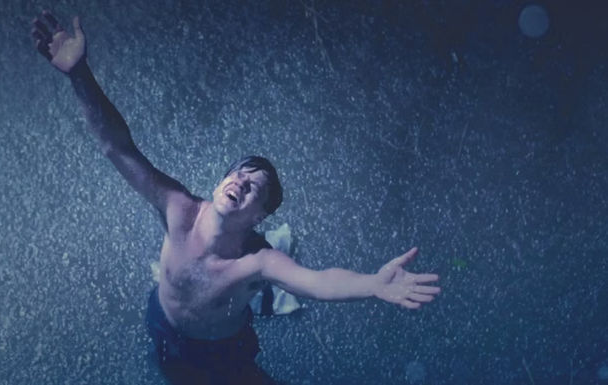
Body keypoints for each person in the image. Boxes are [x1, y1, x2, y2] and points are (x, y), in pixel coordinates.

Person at [31, 11, 441, 385]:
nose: (242, 183)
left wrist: (372, 284)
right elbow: (118, 148)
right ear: (220, 182)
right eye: (239, 174)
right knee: (171, 372)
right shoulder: (178, 210)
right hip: (164, 324)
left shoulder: (257, 260)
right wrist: (78, 75)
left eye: (255, 188)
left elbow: (316, 282)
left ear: (258, 216)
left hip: (223, 350)